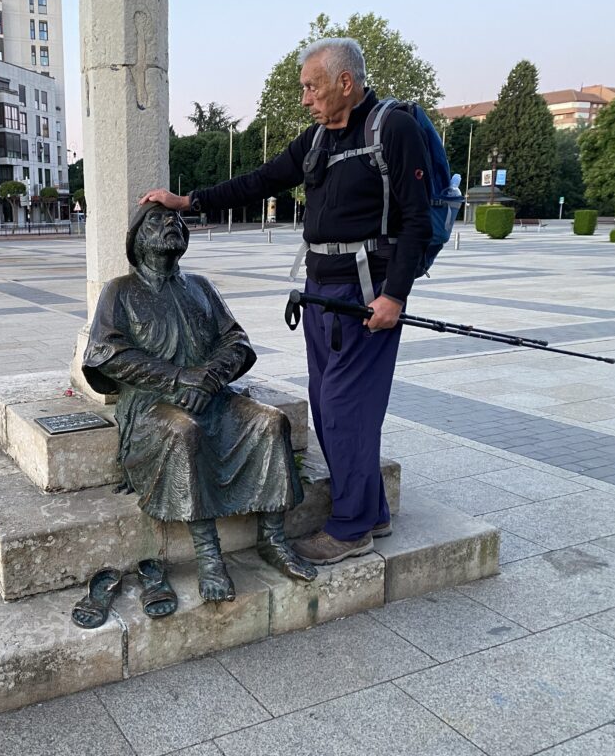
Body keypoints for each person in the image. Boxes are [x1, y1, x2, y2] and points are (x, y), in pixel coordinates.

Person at [140, 38, 432, 565]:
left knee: (343, 410)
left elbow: (416, 219)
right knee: (329, 404)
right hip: (321, 293)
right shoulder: (318, 138)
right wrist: (189, 201)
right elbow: (262, 180)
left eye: (311, 87)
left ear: (345, 82)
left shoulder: (392, 128)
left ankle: (351, 528)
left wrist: (394, 295)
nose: (305, 98)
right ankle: (373, 511)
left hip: (366, 297)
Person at [82, 202, 317, 602]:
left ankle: (273, 539)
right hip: (152, 405)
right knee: (184, 431)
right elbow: (105, 353)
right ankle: (209, 556)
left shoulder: (201, 287)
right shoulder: (119, 291)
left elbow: (237, 341)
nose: (171, 223)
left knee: (271, 422)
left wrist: (209, 378)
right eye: (157, 220)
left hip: (213, 396)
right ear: (137, 240)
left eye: (175, 218)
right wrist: (177, 377)